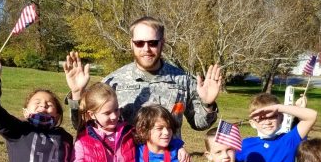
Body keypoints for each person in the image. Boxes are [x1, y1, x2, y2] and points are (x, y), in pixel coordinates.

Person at [63, 16, 223, 137]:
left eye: (152, 42)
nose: (146, 48)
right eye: (139, 43)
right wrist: (77, 94)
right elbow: (83, 127)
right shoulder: (113, 82)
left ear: (163, 43)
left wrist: (208, 104)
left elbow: (200, 124)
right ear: (131, 44)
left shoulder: (183, 80)